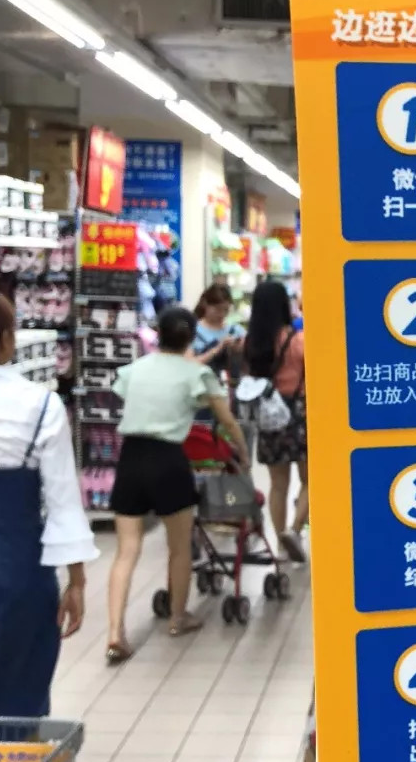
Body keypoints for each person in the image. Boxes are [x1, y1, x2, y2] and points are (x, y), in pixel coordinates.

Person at [0, 289, 97, 716]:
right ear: (6, 340)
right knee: (17, 694)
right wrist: (76, 582)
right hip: (16, 568)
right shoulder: (39, 404)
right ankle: (9, 759)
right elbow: (63, 504)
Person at [106, 305, 249, 664]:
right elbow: (227, 421)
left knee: (126, 550)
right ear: (191, 337)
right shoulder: (198, 374)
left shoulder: (133, 370)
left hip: (131, 458)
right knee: (179, 547)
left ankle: (115, 632)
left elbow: (126, 395)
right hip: (169, 460)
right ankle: (178, 617)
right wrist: (243, 454)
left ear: (158, 334)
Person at [245, 279, 308, 562]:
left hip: (269, 415)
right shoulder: (297, 340)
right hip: (300, 413)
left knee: (278, 484)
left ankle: (281, 543)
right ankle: (294, 530)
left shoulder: (251, 343)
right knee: (311, 480)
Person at [193, 283, 245, 378]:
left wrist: (239, 349)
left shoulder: (235, 330)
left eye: (226, 310)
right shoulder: (192, 331)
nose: (221, 314)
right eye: (217, 309)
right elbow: (189, 364)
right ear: (205, 304)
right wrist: (218, 348)